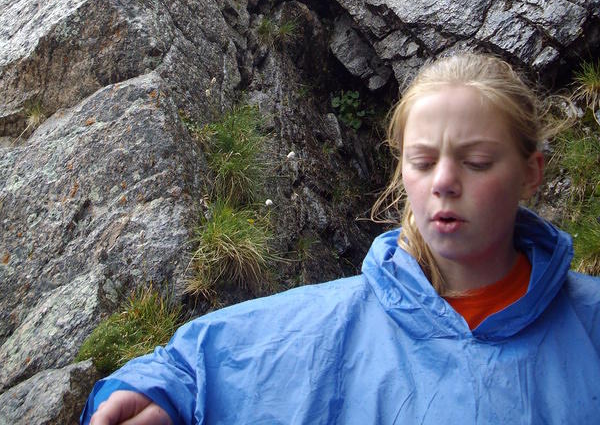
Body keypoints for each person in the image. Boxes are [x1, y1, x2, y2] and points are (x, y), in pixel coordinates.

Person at [81, 52, 600, 425]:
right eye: (422, 162)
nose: (443, 181)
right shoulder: (330, 326)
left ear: (532, 172)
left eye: (477, 161)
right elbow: (193, 365)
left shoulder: (589, 321)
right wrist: (156, 397)